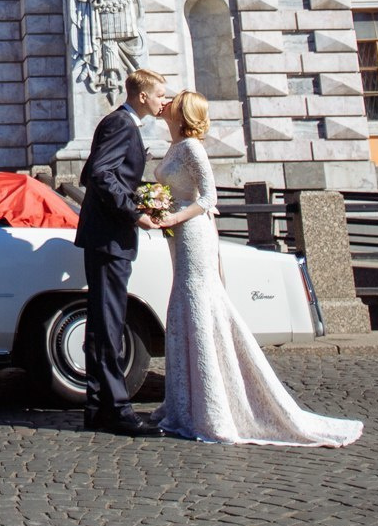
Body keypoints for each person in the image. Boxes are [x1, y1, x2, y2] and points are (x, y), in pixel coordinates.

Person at [144, 91, 364, 447]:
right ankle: (186, 405)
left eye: (173, 98)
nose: (165, 100)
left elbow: (209, 198)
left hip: (194, 233)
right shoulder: (174, 146)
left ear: (182, 112)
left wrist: (174, 216)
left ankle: (212, 408)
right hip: (178, 234)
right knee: (186, 305)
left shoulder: (192, 148)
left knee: (199, 303)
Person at [73, 68, 170, 436]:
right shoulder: (122, 125)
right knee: (109, 323)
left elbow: (93, 173)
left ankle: (99, 407)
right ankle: (116, 410)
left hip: (105, 236)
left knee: (103, 323)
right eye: (160, 94)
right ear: (142, 96)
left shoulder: (120, 124)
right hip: (110, 237)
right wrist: (134, 212)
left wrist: (137, 195)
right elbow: (98, 173)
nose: (164, 100)